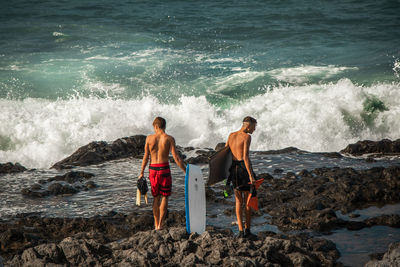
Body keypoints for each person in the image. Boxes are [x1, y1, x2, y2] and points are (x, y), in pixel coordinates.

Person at [138, 117, 186, 230]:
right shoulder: (169, 139)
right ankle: (160, 224)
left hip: (153, 170)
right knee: (165, 197)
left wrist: (141, 173)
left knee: (156, 197)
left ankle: (155, 224)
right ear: (164, 126)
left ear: (155, 126)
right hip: (164, 169)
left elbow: (145, 157)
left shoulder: (149, 139)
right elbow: (176, 158)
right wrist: (185, 170)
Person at [226, 116, 257, 238]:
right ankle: (247, 231)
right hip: (243, 170)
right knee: (248, 201)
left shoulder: (231, 135)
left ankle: (240, 231)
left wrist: (225, 174)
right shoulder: (247, 137)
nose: (254, 130)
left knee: (238, 201)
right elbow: (245, 157)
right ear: (248, 126)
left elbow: (225, 152)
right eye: (254, 127)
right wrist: (251, 175)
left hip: (233, 169)